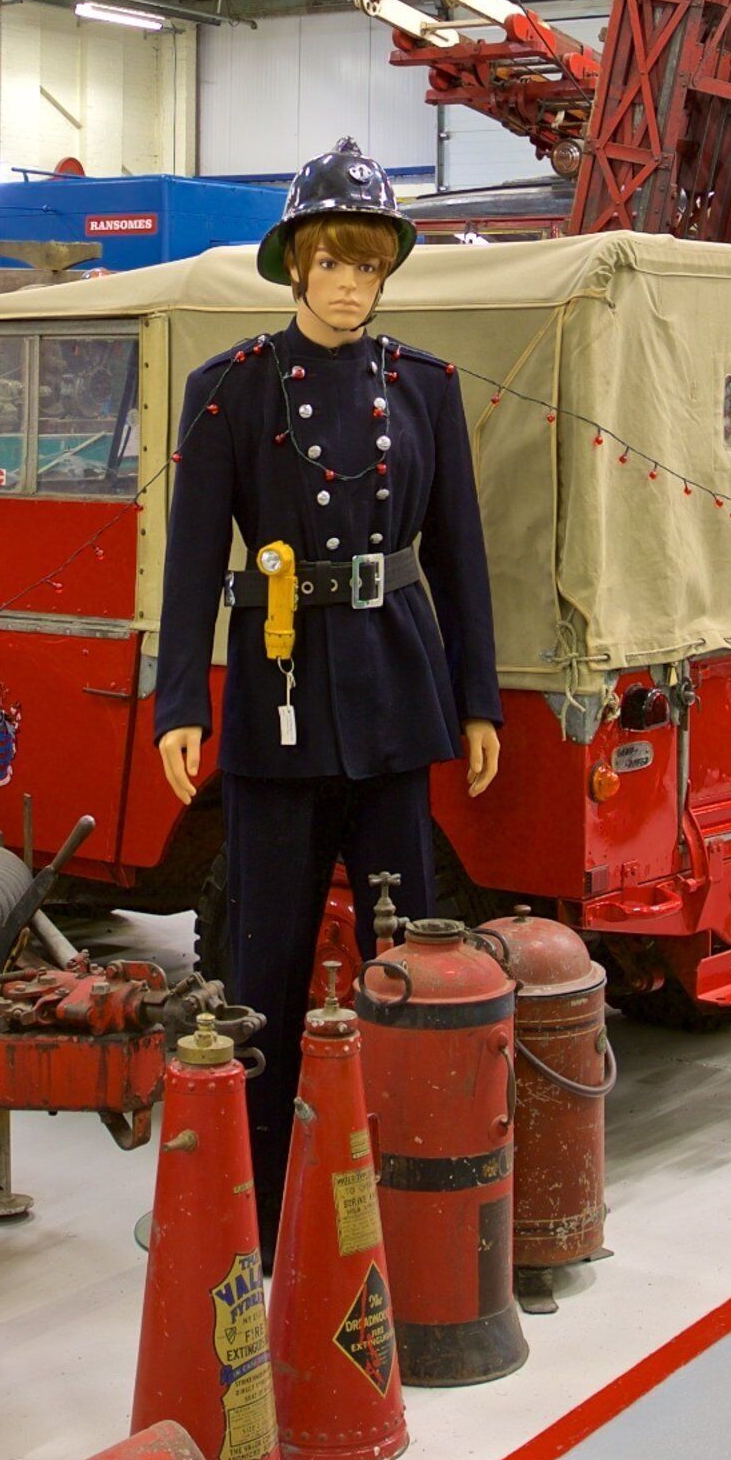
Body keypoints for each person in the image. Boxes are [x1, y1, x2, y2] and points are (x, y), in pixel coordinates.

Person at [153, 140, 501, 1233]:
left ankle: (409, 1192)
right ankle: (252, 1212)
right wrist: (180, 704)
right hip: (279, 701)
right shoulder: (229, 394)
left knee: (407, 962)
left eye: (370, 264)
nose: (352, 284)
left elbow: (461, 560)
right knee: (265, 969)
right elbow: (191, 561)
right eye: (334, 261)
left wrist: (478, 695)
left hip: (398, 703)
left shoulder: (428, 392)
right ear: (296, 264)